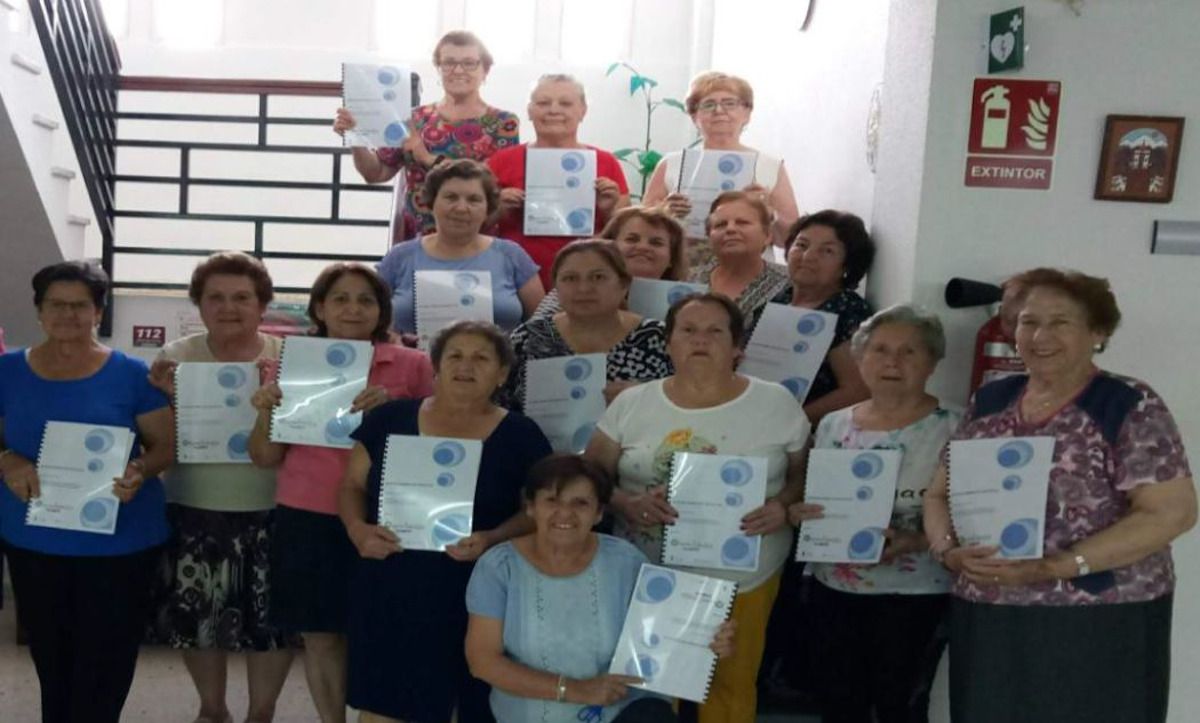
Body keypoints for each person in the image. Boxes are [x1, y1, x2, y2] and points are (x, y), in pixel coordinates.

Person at [923, 268, 1197, 723]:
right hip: (991, 611)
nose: (1040, 335)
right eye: (1028, 322)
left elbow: (1171, 513)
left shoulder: (1127, 403)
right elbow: (938, 494)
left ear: (1097, 332)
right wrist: (948, 552)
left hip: (1099, 614)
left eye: (1061, 322)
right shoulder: (991, 400)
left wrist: (1056, 566)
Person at [586, 293, 810, 723]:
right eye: (688, 331)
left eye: (715, 331)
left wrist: (782, 506)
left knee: (729, 686)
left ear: (737, 346)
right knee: (650, 687)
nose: (700, 340)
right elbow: (592, 475)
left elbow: (804, 473)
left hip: (745, 575)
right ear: (669, 343)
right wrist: (625, 501)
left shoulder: (776, 403)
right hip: (650, 574)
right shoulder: (633, 403)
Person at [247, 263, 434, 723]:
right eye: (341, 299)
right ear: (319, 308)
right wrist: (267, 411)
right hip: (307, 513)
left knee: (384, 629)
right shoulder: (289, 363)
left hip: (389, 514)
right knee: (321, 634)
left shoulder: (413, 365)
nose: (353, 309)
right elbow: (265, 456)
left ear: (381, 311)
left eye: (366, 300)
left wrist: (397, 409)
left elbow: (442, 438)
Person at [339, 321, 552, 723]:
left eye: (480, 358)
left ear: (502, 373)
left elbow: (537, 510)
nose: (465, 366)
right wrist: (357, 530)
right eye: (455, 355)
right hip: (391, 574)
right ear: (436, 366)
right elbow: (351, 487)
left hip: (477, 583)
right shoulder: (390, 419)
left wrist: (492, 537)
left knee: (473, 700)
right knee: (387, 700)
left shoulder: (522, 435)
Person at [0, 261, 174, 723]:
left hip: (121, 541)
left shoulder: (133, 375)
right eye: (56, 304)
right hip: (33, 538)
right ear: (38, 310)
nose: (67, 315)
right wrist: (7, 459)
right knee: (52, 659)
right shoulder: (8, 371)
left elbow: (166, 447)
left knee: (106, 661)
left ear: (98, 312)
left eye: (80, 306)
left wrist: (140, 468)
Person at [464, 454, 736, 723]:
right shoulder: (499, 568)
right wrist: (576, 690)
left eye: (580, 503)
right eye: (552, 501)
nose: (565, 513)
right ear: (531, 507)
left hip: (620, 713)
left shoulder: (626, 561)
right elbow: (483, 661)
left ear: (598, 513)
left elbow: (664, 642)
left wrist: (707, 640)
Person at [788, 305, 957, 723]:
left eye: (909, 352)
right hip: (834, 589)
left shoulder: (957, 427)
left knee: (900, 705)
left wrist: (916, 540)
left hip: (916, 593)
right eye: (879, 350)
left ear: (932, 362)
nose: (892, 363)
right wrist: (798, 512)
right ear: (861, 360)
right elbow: (810, 493)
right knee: (838, 702)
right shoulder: (831, 424)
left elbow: (973, 513)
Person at [146, 252, 294, 723]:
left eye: (242, 298)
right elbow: (156, 438)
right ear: (199, 304)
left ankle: (261, 714)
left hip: (275, 505)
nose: (229, 308)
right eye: (216, 298)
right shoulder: (174, 359)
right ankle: (212, 710)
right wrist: (164, 399)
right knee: (198, 620)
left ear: (262, 304)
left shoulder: (288, 359)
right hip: (194, 503)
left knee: (270, 623)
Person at [334, 31, 519, 242]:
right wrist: (356, 137)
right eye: (449, 62)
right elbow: (375, 173)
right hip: (417, 241)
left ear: (485, 70)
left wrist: (427, 158)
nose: (458, 70)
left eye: (469, 63)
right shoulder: (413, 118)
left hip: (475, 241)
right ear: (438, 69)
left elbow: (497, 189)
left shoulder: (503, 123)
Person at [487, 74, 630, 289]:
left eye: (565, 103)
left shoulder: (605, 162)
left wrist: (609, 210)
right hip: (515, 277)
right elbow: (475, 226)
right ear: (529, 111)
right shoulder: (500, 162)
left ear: (583, 111)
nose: (554, 110)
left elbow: (625, 234)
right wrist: (498, 210)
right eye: (543, 103)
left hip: (586, 279)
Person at [643, 71, 800, 267]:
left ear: (747, 114)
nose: (719, 110)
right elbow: (641, 228)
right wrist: (663, 212)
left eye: (729, 103)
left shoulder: (770, 166)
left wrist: (769, 212)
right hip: (685, 268)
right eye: (708, 104)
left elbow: (790, 239)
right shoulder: (672, 164)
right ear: (694, 116)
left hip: (749, 273)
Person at [376, 159, 545, 335]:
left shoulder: (512, 256)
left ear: (488, 207)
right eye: (451, 197)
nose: (461, 208)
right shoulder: (399, 257)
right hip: (413, 361)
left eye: (474, 200)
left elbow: (542, 328)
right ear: (431, 202)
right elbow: (372, 323)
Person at [507, 240, 673, 411]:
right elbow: (497, 407)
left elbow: (693, 403)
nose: (584, 288)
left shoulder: (661, 338)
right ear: (556, 286)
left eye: (598, 277)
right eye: (570, 278)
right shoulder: (528, 337)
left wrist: (650, 398)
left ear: (624, 284)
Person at [531, 205, 690, 319]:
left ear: (671, 258)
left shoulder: (686, 303)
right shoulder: (576, 288)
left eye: (656, 243)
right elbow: (536, 337)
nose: (643, 247)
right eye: (632, 239)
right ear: (609, 247)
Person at [688, 192, 790, 333]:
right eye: (720, 225)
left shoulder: (789, 285)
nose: (730, 229)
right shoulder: (688, 281)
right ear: (708, 236)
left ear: (767, 236)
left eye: (742, 222)